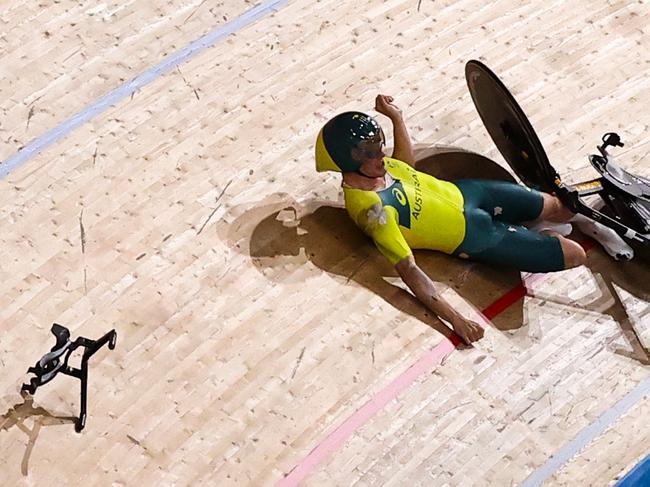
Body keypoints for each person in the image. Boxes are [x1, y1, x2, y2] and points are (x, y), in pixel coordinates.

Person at [314, 95, 590, 345]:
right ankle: (537, 232)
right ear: (347, 160)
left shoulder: (376, 168)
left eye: (379, 146)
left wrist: (397, 119)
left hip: (470, 193)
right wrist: (456, 320)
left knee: (563, 207)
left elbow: (406, 168)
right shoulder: (374, 211)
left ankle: (545, 226)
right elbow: (410, 271)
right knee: (574, 255)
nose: (382, 156)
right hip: (476, 236)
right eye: (372, 152)